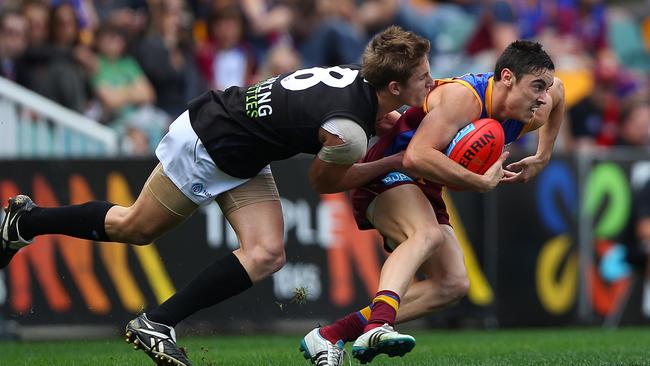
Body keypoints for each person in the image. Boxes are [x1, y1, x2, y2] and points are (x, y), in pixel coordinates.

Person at [0, 26, 433, 366]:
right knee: (134, 227)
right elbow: (325, 182)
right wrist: (396, 163)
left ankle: (157, 322)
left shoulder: (361, 83)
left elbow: (350, 115)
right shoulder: (350, 133)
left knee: (266, 252)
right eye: (422, 76)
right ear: (392, 86)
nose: (430, 81)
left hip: (244, 146)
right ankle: (26, 221)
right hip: (211, 141)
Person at [299, 40, 565, 366]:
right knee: (427, 235)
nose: (543, 96)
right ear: (507, 77)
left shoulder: (532, 109)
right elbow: (415, 157)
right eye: (537, 86)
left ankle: (329, 335)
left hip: (425, 185)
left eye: (545, 88)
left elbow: (560, 92)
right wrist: (478, 182)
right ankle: (378, 325)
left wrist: (542, 156)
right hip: (389, 170)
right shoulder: (463, 98)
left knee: (452, 284)